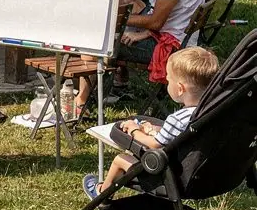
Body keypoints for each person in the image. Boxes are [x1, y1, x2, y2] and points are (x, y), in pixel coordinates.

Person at [82, 47, 218, 199]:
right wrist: (157, 129)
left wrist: (134, 130)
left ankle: (101, 195)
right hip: (202, 175)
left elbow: (154, 144)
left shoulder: (178, 119)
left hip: (170, 177)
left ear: (180, 89)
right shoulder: (210, 113)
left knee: (121, 159)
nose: (167, 83)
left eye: (168, 80)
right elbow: (180, 136)